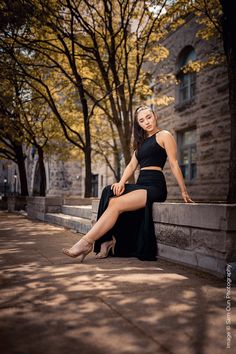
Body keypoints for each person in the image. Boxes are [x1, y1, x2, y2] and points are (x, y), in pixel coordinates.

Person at [62, 105, 194, 262]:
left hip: (155, 186)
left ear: (155, 116)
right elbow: (132, 166)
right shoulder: (141, 143)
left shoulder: (164, 135)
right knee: (109, 192)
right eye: (142, 120)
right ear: (139, 124)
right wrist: (121, 182)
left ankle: (86, 243)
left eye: (148, 117)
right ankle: (106, 241)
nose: (146, 122)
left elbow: (174, 163)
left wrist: (183, 191)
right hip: (141, 183)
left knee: (116, 204)